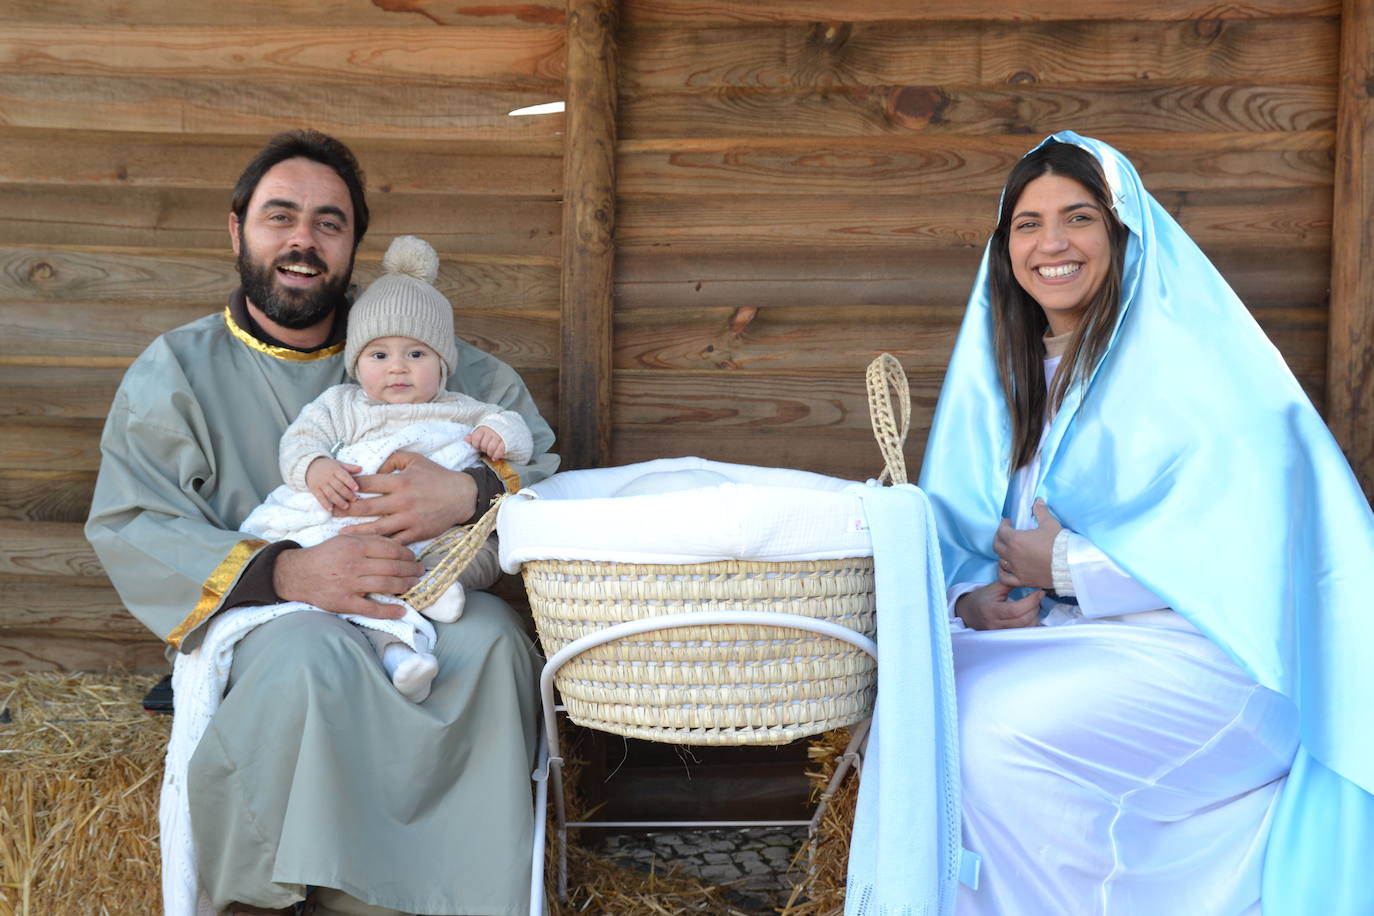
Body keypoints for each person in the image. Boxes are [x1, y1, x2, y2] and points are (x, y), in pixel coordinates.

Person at [85, 129, 558, 916]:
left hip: (417, 596)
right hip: (271, 612)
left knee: (493, 644)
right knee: (310, 655)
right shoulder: (178, 371)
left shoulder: (427, 360)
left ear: (351, 247)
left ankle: (460, 897)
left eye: (328, 223)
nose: (303, 239)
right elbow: (135, 520)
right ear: (238, 229)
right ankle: (292, 899)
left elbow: (534, 457)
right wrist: (287, 571)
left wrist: (469, 492)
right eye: (281, 216)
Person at [919, 132, 1373, 914]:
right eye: (1027, 224)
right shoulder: (1014, 381)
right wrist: (974, 602)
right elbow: (969, 539)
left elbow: (1250, 552)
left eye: (1079, 217)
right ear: (1005, 249)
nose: (1051, 243)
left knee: (991, 730)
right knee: (926, 699)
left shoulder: (1206, 368)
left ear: (1124, 234)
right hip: (1093, 642)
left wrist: (1061, 570)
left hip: (1228, 658)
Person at [241, 234, 534, 704]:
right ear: (357, 365)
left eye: (416, 354)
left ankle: (438, 586)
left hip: (438, 538)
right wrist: (316, 467)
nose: (398, 367)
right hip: (362, 530)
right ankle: (400, 655)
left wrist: (499, 435)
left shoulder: (461, 409)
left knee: (480, 552)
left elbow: (519, 435)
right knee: (366, 590)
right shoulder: (342, 405)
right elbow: (301, 440)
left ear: (442, 365)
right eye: (380, 355)